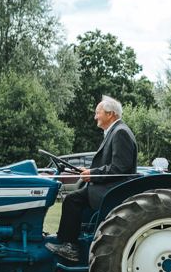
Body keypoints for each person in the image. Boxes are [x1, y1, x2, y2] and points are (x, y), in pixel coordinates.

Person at [46, 96, 138, 261]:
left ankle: (70, 247)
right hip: (108, 186)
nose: (95, 117)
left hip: (112, 189)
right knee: (73, 198)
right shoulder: (115, 131)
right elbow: (112, 164)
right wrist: (89, 171)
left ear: (110, 114)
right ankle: (67, 240)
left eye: (98, 113)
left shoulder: (120, 132)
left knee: (71, 200)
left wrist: (93, 174)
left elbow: (120, 168)